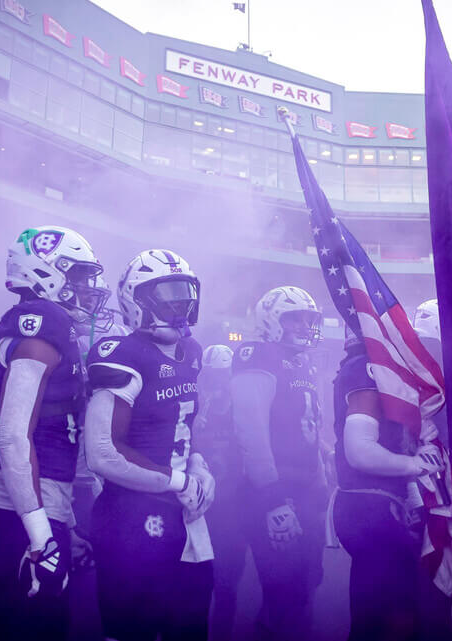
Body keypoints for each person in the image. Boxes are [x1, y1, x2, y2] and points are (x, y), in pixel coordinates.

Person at [0, 226, 108, 641]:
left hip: (35, 499)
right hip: (21, 504)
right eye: (80, 276)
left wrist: (59, 523)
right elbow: (13, 435)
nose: (90, 287)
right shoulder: (44, 319)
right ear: (49, 272)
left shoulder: (55, 323)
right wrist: (41, 534)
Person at [84, 249, 215, 641]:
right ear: (138, 300)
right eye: (168, 292)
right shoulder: (121, 354)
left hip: (186, 517)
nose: (181, 302)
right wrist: (177, 481)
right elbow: (103, 452)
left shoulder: (191, 351)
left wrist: (199, 467)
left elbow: (184, 428)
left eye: (185, 291)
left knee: (190, 626)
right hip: (129, 516)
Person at [331, 329, 445, 641]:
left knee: (389, 611)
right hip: (370, 507)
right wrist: (415, 465)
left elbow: (390, 437)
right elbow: (361, 451)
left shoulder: (376, 368)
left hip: (380, 503)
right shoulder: (365, 367)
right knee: (385, 617)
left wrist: (415, 454)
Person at [230, 286, 326, 641]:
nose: (304, 326)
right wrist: (272, 500)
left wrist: (322, 465)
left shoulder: (301, 361)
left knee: (308, 579)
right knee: (283, 590)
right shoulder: (258, 355)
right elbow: (250, 430)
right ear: (271, 320)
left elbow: (305, 426)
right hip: (273, 490)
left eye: (308, 319)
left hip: (303, 489)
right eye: (294, 318)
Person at [191, 344, 245, 641]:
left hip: (233, 505)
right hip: (201, 504)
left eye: (224, 375)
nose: (219, 382)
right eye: (213, 376)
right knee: (197, 580)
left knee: (228, 583)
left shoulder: (241, 406)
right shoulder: (199, 404)